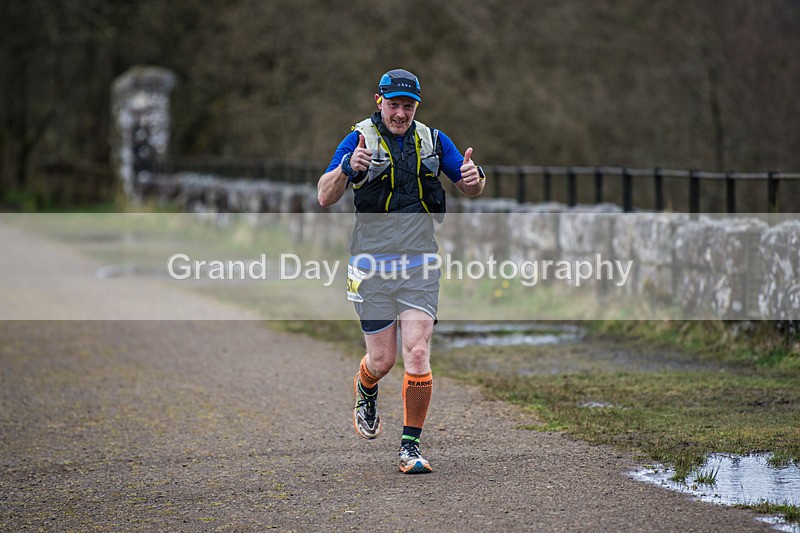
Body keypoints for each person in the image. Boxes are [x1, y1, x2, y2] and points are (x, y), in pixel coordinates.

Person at [317, 68, 485, 474]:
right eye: (393, 105)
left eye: (407, 106)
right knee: (383, 360)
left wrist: (473, 177)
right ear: (379, 101)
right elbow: (324, 195)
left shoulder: (431, 140)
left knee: (418, 351)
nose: (400, 113)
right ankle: (366, 384)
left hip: (419, 263)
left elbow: (472, 186)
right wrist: (347, 169)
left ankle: (409, 447)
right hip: (370, 265)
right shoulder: (358, 139)